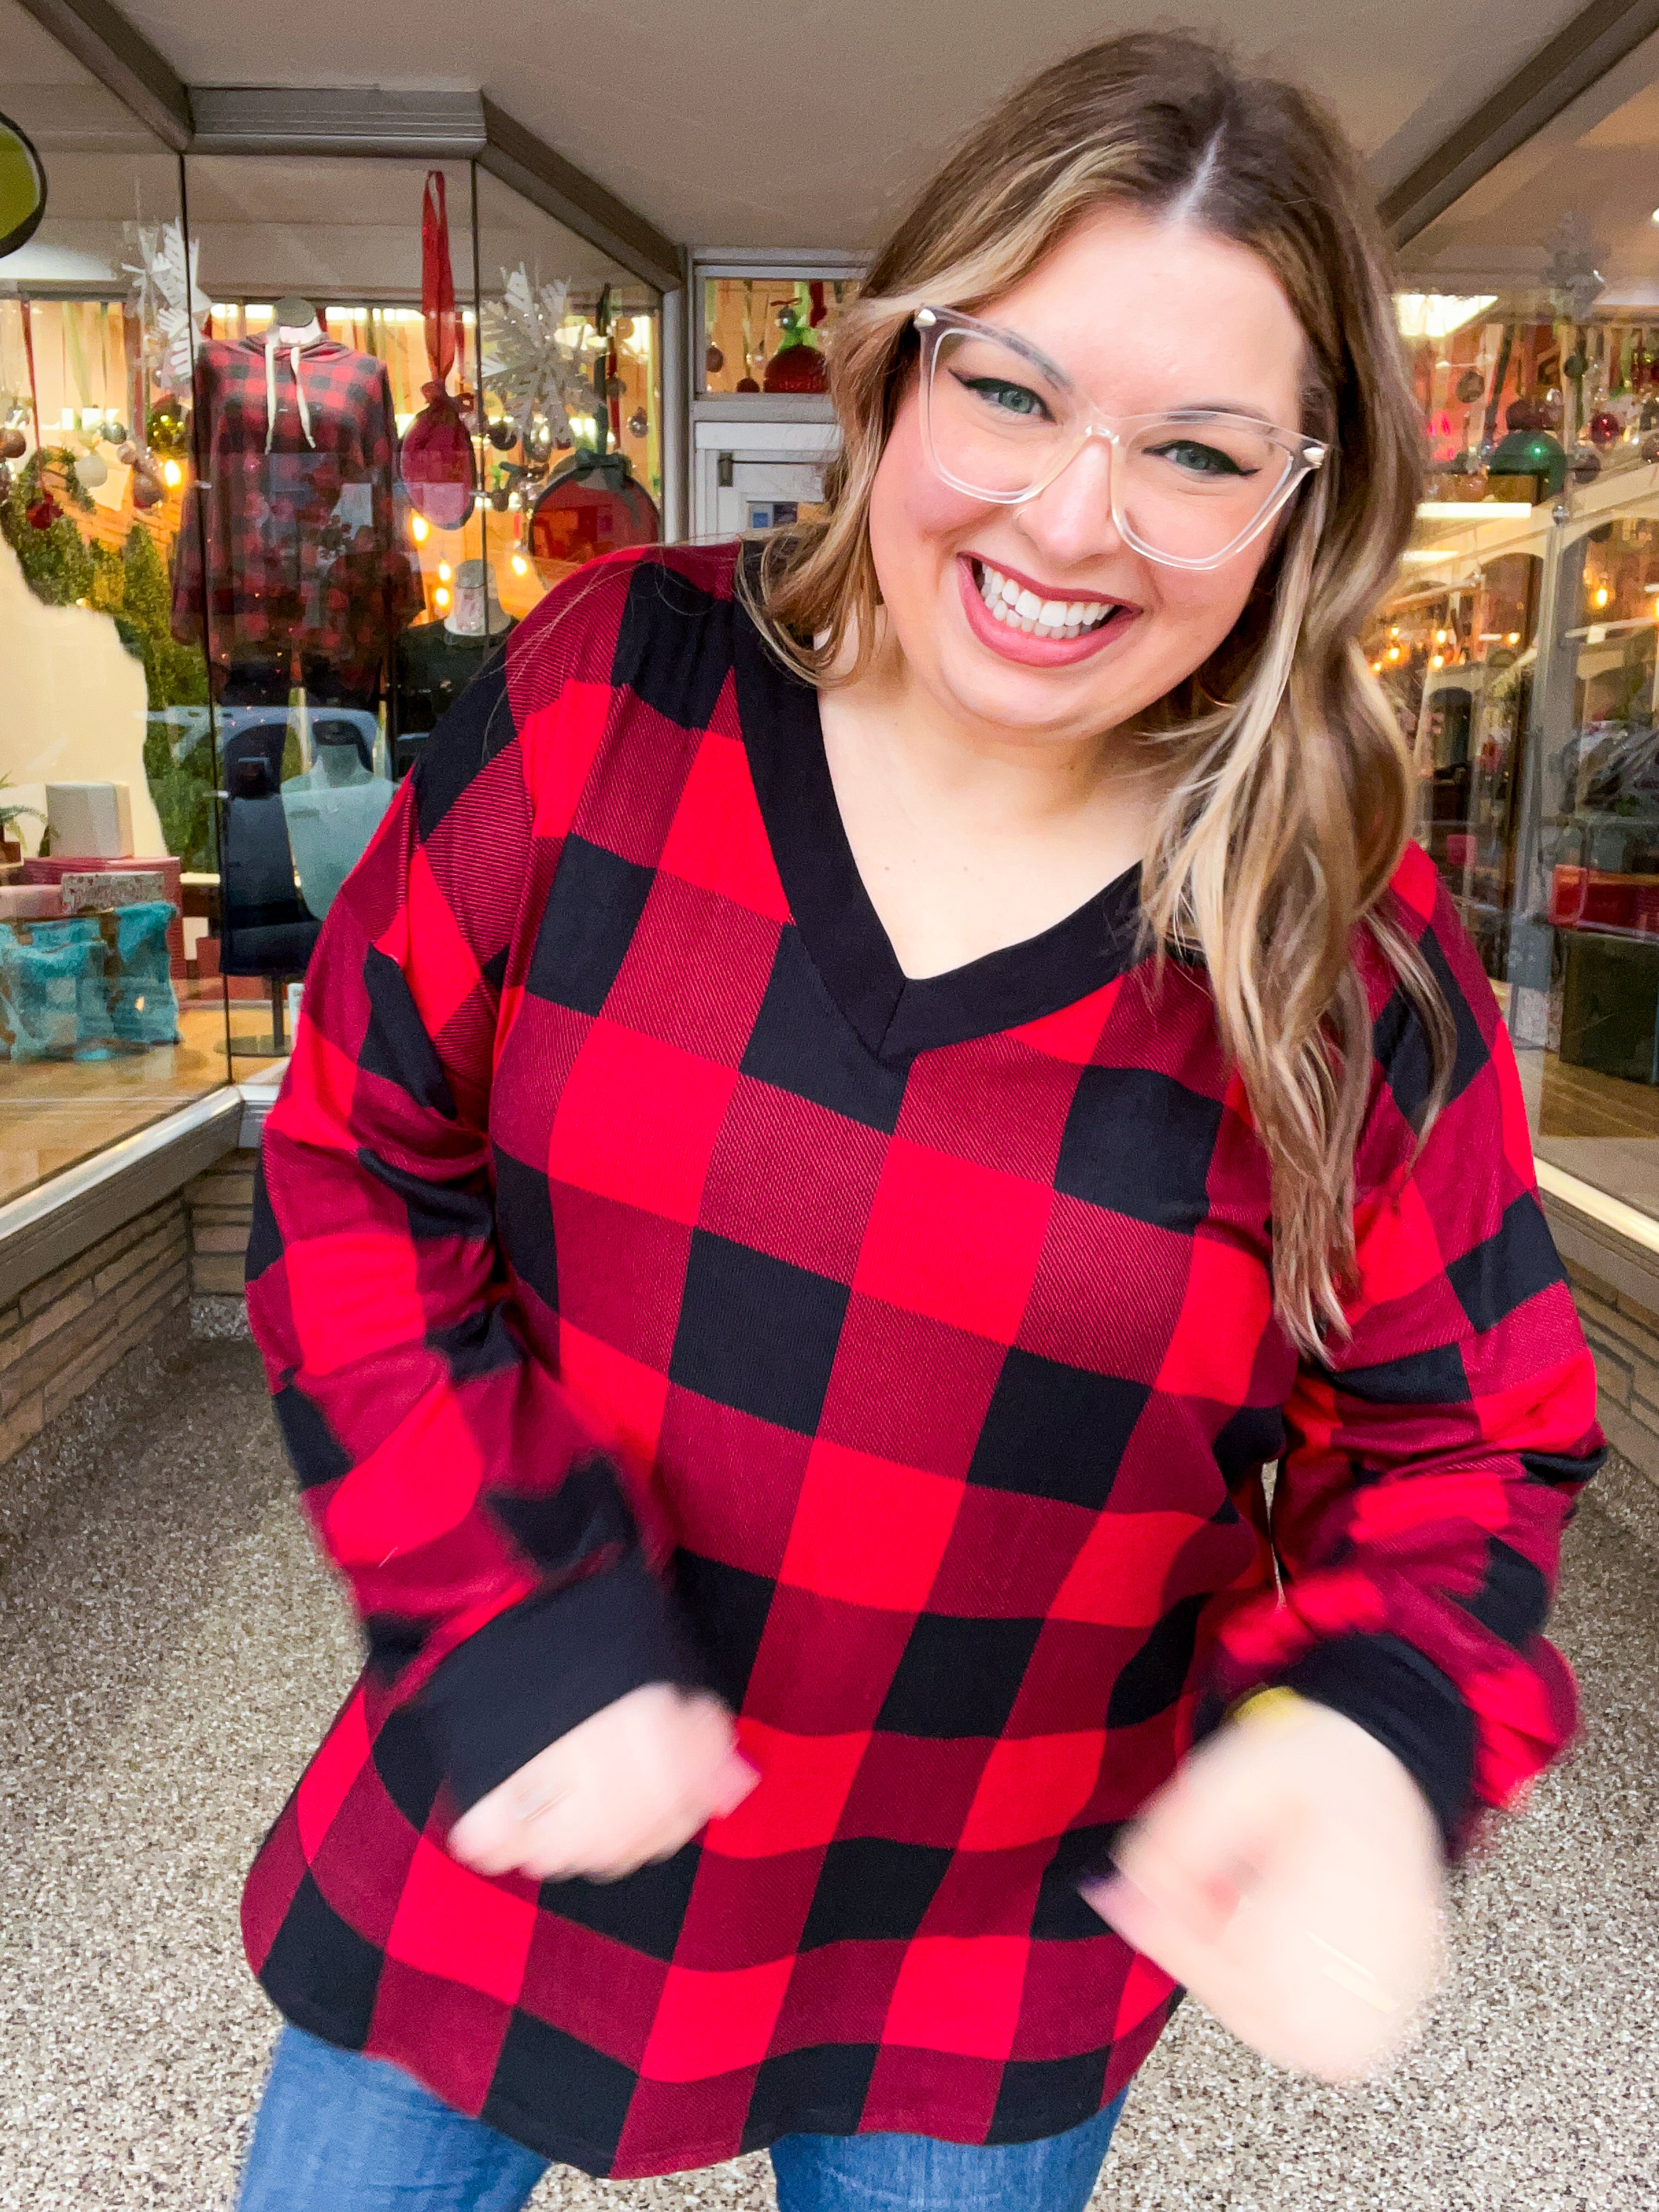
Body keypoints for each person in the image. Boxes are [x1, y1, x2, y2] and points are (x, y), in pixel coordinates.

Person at [235, 31, 1605, 2212]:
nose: (1070, 521)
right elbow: (353, 1172)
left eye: (1197, 452)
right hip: (499, 1816)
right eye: (1013, 393)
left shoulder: (1345, 948)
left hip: (981, 1956)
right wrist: (503, 1601)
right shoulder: (611, 696)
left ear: (1303, 502)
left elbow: (1469, 1443)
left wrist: (1373, 1729)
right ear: (896, 366)